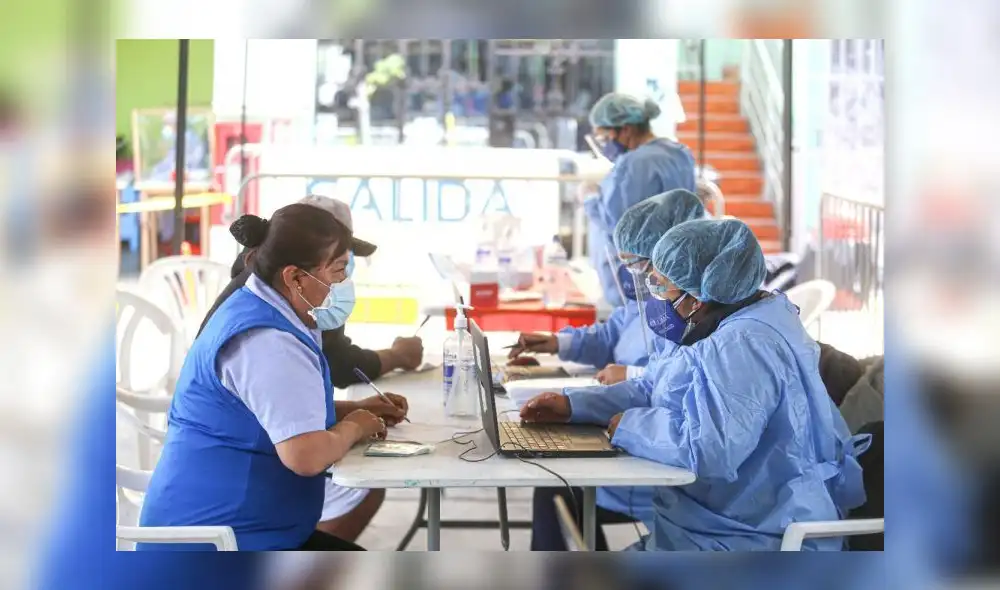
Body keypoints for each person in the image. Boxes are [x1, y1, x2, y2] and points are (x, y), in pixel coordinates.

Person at [522, 218, 869, 551]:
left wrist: (630, 424)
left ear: (699, 292)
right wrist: (575, 406)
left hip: (752, 536)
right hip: (715, 525)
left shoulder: (744, 344)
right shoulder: (713, 327)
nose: (653, 296)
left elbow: (712, 451)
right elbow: (654, 386)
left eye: (660, 285)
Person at [139, 204, 410, 551]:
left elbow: (268, 411)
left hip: (229, 531)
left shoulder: (261, 307)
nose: (343, 283)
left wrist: (350, 409)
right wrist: (355, 425)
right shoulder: (268, 342)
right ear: (295, 277)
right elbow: (305, 456)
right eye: (339, 270)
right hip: (211, 550)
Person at [201, 195, 425, 388]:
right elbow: (337, 365)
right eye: (338, 264)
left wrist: (352, 412)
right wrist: (397, 356)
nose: (343, 277)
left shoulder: (262, 284)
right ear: (297, 273)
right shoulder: (269, 328)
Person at [508, 189, 706, 387]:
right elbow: (614, 333)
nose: (637, 274)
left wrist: (633, 374)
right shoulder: (650, 293)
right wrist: (558, 343)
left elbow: (686, 379)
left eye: (639, 264)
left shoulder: (695, 306)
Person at [583, 92, 697, 307]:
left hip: (636, 278)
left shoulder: (634, 164)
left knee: (637, 325)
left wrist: (589, 199)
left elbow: (618, 225)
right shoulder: (679, 153)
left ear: (626, 130)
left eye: (605, 137)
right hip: (673, 271)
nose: (605, 145)